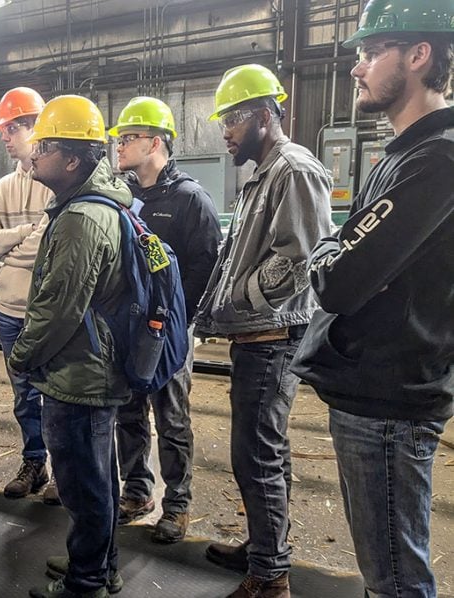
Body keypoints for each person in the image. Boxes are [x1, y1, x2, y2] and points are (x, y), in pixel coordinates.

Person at [291, 1, 454, 596]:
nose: (356, 69)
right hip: (372, 392)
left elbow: (337, 279)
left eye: (368, 53)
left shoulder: (437, 159)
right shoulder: (403, 155)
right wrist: (336, 250)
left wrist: (332, 253)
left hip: (389, 399)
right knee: (383, 568)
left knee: (394, 578)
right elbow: (343, 252)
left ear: (417, 56)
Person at [193, 65, 332, 598]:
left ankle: (271, 576)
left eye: (231, 119)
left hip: (273, 334)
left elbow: (302, 260)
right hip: (259, 333)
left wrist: (244, 295)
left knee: (256, 453)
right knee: (262, 449)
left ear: (261, 117)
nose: (224, 132)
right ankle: (265, 549)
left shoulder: (293, 170)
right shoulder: (266, 171)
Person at [9, 95, 130, 598]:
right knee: (99, 479)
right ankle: (101, 564)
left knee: (83, 486)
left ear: (73, 160)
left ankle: (85, 583)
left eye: (45, 146)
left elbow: (57, 310)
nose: (34, 154)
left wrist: (21, 357)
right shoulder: (97, 206)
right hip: (92, 368)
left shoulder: (82, 219)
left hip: (79, 375)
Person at [108, 97, 221, 540]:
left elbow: (206, 267)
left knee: (172, 419)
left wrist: (178, 324)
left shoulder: (190, 199)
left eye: (128, 137)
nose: (118, 145)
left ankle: (178, 503)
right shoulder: (124, 198)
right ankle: (137, 491)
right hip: (129, 330)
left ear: (155, 142)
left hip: (169, 334)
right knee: (128, 414)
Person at [0, 87, 56, 500]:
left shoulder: (59, 179)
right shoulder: (3, 187)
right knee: (24, 395)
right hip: (9, 311)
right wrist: (26, 233)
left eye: (11, 129)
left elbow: (50, 246)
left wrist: (13, 245)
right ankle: (34, 462)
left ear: (34, 127)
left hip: (51, 312)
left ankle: (63, 470)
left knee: (59, 394)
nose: (4, 137)